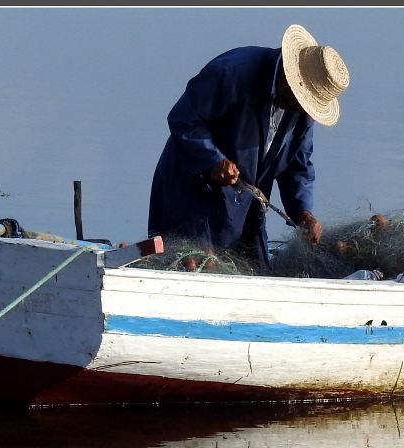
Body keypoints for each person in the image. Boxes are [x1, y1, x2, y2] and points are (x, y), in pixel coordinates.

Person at [148, 24, 349, 267]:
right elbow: (183, 118)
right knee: (191, 267)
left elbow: (298, 165)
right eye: (304, 99)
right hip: (193, 195)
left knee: (252, 272)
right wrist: (213, 159)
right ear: (291, 75)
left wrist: (302, 212)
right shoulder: (234, 72)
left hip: (247, 206)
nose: (304, 109)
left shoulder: (301, 111)